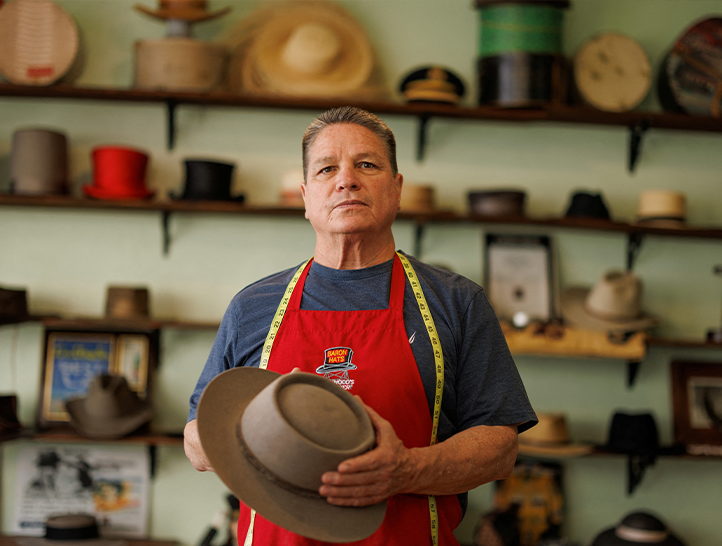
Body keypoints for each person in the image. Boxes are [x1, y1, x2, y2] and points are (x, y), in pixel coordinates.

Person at [184, 106, 536, 545]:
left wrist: (405, 471)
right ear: (306, 197)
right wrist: (272, 436)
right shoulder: (252, 306)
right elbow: (197, 441)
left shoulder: (457, 301)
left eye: (367, 165)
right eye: (326, 168)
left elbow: (500, 447)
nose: (346, 179)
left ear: (397, 188)